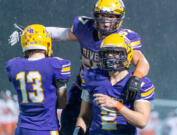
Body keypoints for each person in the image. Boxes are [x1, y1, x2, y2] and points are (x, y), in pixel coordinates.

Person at [8, 0, 150, 134]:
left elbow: (142, 62)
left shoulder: (125, 39)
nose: (106, 23)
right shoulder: (86, 29)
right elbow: (62, 34)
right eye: (102, 17)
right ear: (95, 16)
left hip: (108, 91)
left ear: (120, 18)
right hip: (83, 87)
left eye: (111, 17)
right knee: (69, 126)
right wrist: (29, 32)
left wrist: (136, 78)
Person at [73, 33, 155, 135]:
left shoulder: (140, 83)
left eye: (116, 53)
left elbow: (142, 121)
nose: (110, 56)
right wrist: (78, 131)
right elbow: (84, 115)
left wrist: (116, 105)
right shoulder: (91, 77)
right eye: (107, 53)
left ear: (127, 55)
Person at [5, 24, 71, 135]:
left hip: (22, 128)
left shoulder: (13, 65)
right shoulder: (55, 64)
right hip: (45, 128)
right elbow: (62, 103)